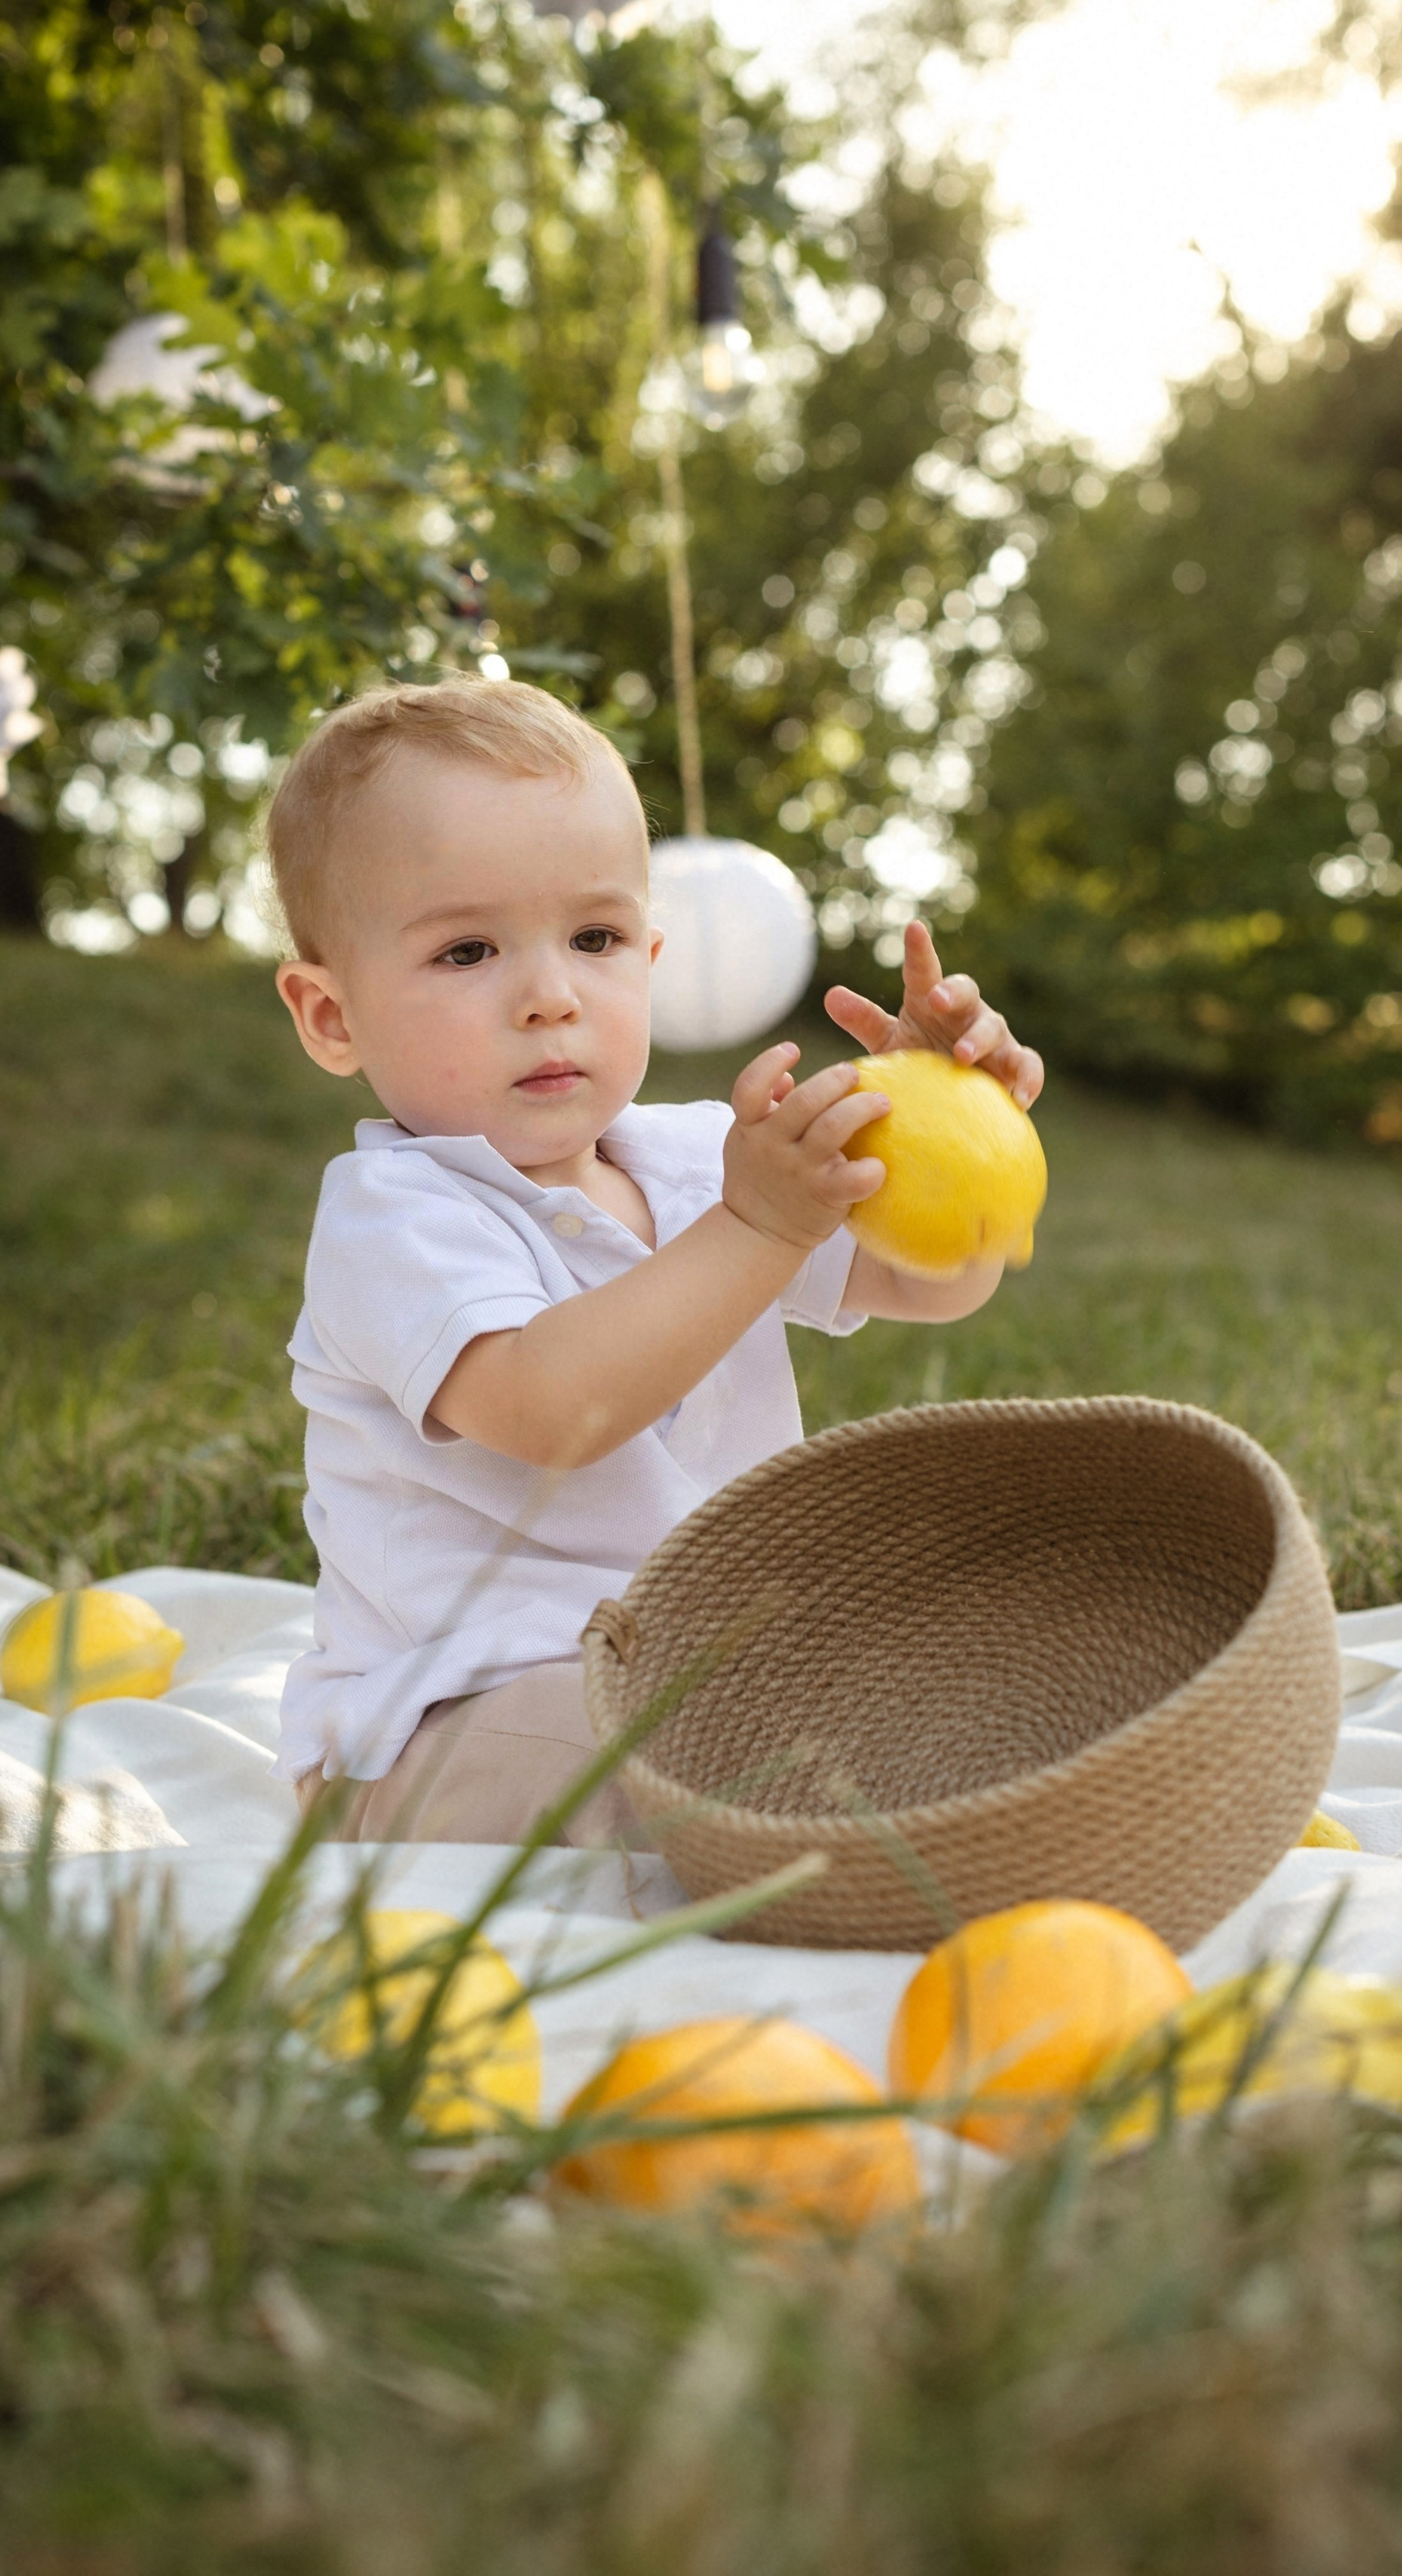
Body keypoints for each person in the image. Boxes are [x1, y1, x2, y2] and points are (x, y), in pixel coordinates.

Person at [269, 678, 1044, 1845]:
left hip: (714, 1684)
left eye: (595, 938)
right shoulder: (395, 1215)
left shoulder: (697, 1161)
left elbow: (935, 1284)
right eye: (468, 949)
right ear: (333, 1017)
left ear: (649, 955)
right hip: (445, 1730)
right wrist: (760, 1228)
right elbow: (553, 1407)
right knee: (682, 1764)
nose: (550, 995)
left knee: (950, 1676)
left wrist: (958, 1128)